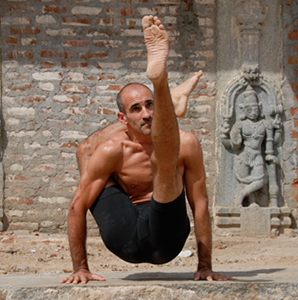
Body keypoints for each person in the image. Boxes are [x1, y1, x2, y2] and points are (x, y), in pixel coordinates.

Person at [60, 15, 233, 284]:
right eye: (136, 109)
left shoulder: (187, 144)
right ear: (122, 119)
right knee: (86, 151)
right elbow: (76, 207)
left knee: (165, 162)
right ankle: (169, 101)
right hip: (125, 237)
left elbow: (199, 203)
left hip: (167, 237)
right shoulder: (113, 150)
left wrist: (205, 265)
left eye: (151, 105)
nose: (146, 113)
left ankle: (159, 81)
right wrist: (79, 267)